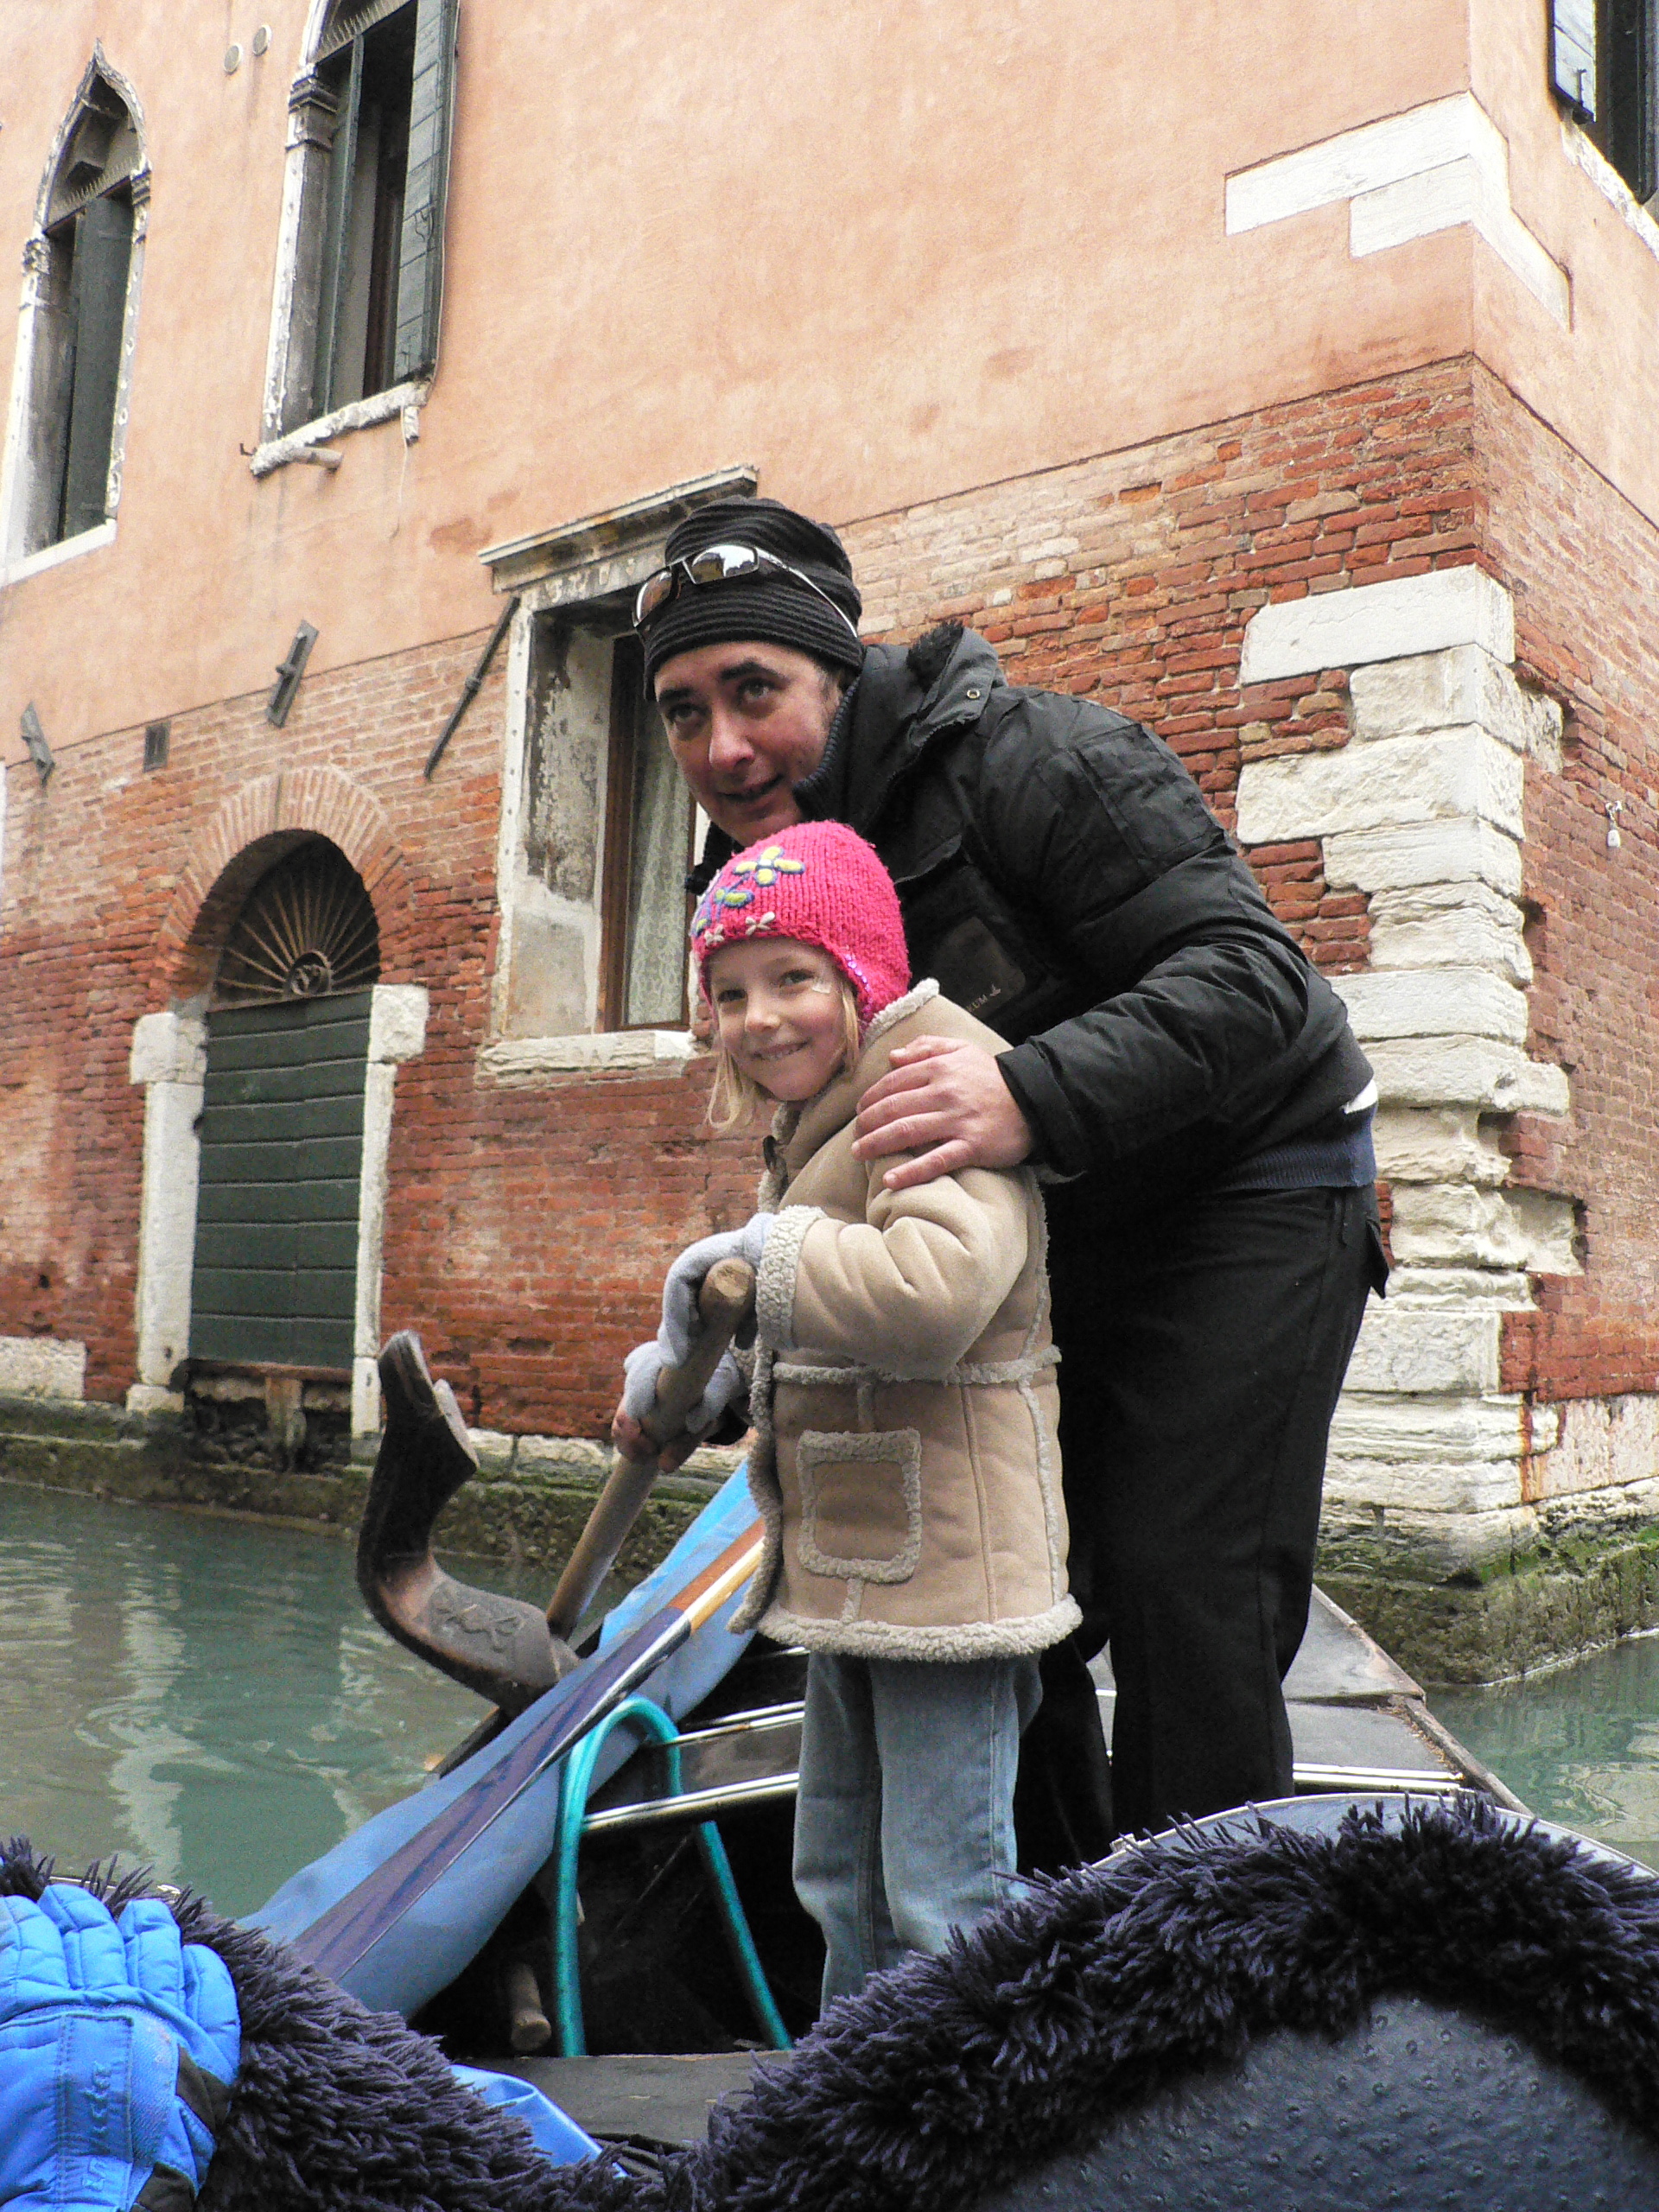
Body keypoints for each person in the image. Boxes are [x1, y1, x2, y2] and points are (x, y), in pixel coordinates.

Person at [634, 496, 1387, 1853]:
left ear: (839, 674)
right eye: (684, 713)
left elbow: (1256, 982)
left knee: (1174, 1575)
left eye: (754, 692)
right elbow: (829, 1146)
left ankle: (1204, 1936)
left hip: (1251, 1186)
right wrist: (742, 1348)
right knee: (998, 1582)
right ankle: (1040, 1920)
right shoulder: (758, 876)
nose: (723, 748)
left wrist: (1026, 1091)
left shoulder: (1042, 761)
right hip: (1043, 1220)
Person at [615, 819, 1077, 2002]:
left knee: (943, 1893)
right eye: (730, 993)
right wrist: (700, 1385)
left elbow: (931, 1297)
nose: (759, 1018)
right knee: (838, 1875)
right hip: (864, 1557)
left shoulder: (929, 1086)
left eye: (793, 979)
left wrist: (754, 1257)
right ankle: (849, 2086)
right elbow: (810, 1313)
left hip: (952, 1568)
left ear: (861, 975)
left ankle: (957, 2101)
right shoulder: (826, 1107)